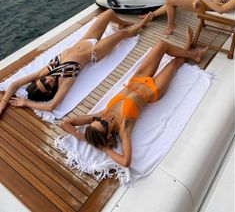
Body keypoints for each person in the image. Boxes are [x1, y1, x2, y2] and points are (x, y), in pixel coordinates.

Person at [61, 28, 208, 168]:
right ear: (109, 134)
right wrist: (105, 149)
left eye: (98, 121)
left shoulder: (103, 114)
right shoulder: (124, 128)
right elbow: (126, 161)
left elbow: (67, 123)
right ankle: (191, 52)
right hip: (154, 89)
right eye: (104, 125)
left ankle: (189, 50)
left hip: (138, 79)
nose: (103, 120)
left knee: (161, 45)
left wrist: (86, 139)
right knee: (174, 63)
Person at [0, 9, 152, 117]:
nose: (47, 80)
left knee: (109, 13)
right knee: (122, 35)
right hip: (94, 51)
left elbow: (14, 84)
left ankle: (122, 22)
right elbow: (51, 106)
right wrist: (26, 103)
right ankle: (142, 24)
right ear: (49, 91)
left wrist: (2, 106)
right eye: (47, 85)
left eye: (42, 81)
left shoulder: (43, 72)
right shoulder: (65, 81)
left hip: (85, 40)